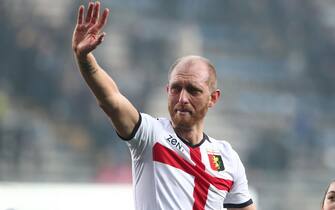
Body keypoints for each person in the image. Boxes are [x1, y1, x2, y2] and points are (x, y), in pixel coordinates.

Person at [72, 1, 256, 210]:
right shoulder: (150, 135)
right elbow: (112, 101)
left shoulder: (227, 157)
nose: (182, 98)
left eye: (193, 90)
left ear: (213, 98)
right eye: (176, 89)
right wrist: (84, 59)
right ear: (167, 91)